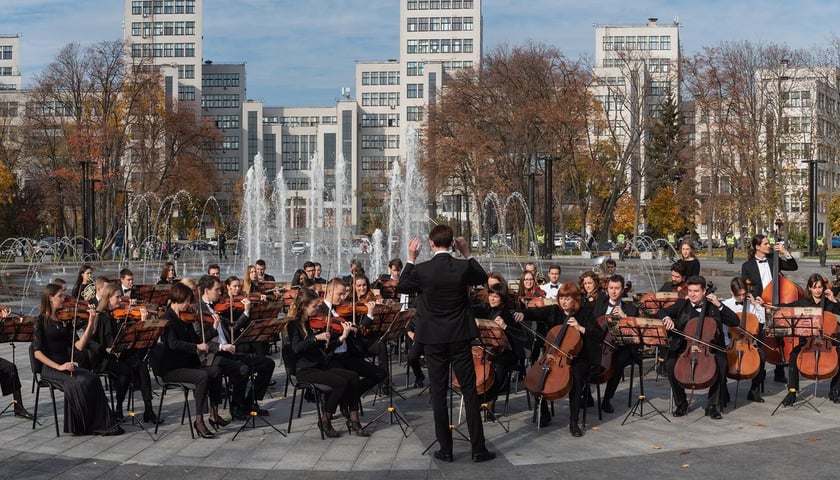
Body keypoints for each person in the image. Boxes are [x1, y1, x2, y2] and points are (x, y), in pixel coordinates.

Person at [397, 225, 496, 462]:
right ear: (452, 243)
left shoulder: (422, 269)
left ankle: (446, 449)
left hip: (433, 339)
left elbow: (402, 286)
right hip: (460, 336)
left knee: (439, 392)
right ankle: (478, 449)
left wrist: (410, 258)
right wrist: (467, 252)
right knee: (470, 391)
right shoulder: (462, 267)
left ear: (431, 244)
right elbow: (483, 278)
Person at [33, 284, 123, 435]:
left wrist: (90, 323)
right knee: (79, 382)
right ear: (50, 298)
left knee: (93, 378)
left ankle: (101, 423)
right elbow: (37, 353)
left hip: (67, 366)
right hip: (51, 369)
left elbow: (79, 347)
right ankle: (83, 425)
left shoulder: (65, 320)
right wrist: (59, 366)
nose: (64, 299)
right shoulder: (40, 320)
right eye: (60, 296)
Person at [287, 288, 370, 437]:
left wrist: (341, 338)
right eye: (314, 306)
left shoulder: (314, 324)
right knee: (340, 383)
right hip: (305, 371)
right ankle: (325, 420)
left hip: (320, 366)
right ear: (304, 306)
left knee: (353, 376)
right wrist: (315, 338)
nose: (318, 309)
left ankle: (353, 418)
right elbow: (296, 349)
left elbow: (326, 349)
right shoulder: (295, 325)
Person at [658, 275, 739, 419]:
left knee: (722, 361)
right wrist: (666, 318)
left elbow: (734, 321)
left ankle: (712, 405)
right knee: (670, 363)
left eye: (696, 291)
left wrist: (720, 306)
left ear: (704, 292)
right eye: (690, 291)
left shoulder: (713, 306)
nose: (692, 294)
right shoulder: (682, 305)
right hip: (685, 348)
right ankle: (681, 403)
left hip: (710, 349)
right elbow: (660, 311)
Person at [158, 282, 227, 438]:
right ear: (176, 300)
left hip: (187, 364)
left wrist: (214, 329)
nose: (189, 305)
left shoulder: (185, 318)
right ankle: (199, 421)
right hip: (172, 368)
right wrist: (196, 346)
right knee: (202, 377)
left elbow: (198, 339)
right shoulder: (167, 319)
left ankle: (214, 414)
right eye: (186, 301)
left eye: (189, 301)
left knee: (216, 371)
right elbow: (173, 344)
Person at [533, 283, 602, 436]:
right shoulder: (554, 311)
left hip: (578, 357)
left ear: (575, 299)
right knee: (538, 377)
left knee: (576, 380)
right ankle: (544, 413)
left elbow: (598, 335)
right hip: (554, 356)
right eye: (561, 298)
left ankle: (573, 422)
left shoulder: (585, 313)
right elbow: (535, 313)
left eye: (567, 298)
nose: (563, 302)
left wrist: (580, 328)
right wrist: (522, 314)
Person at [89, 283, 162, 423]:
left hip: (121, 354)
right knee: (125, 370)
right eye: (117, 297)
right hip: (104, 358)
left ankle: (149, 409)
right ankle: (118, 408)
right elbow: (90, 341)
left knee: (141, 367)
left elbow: (131, 337)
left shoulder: (121, 315)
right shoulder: (99, 317)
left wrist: (142, 322)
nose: (121, 300)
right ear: (108, 298)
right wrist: (106, 349)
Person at [741, 234, 798, 383]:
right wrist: (754, 298)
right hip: (759, 305)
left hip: (777, 303)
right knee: (762, 339)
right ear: (757, 247)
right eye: (766, 244)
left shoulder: (774, 258)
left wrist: (785, 251)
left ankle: (780, 371)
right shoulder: (747, 266)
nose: (769, 246)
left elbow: (793, 266)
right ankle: (760, 373)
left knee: (779, 337)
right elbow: (745, 287)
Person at [320, 278, 388, 396]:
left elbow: (358, 329)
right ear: (329, 292)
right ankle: (346, 401)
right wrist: (342, 335)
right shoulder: (320, 311)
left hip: (348, 355)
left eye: (343, 294)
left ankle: (352, 396)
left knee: (380, 373)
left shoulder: (338, 309)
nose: (342, 298)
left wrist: (367, 317)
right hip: (332, 358)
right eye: (339, 294)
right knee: (349, 378)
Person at [780, 274, 840, 406]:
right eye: (815, 287)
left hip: (827, 342)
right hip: (807, 343)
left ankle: (835, 389)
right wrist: (766, 305)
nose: (818, 290)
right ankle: (792, 391)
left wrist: (834, 300)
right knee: (794, 355)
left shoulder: (829, 303)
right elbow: (785, 307)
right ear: (810, 288)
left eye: (820, 287)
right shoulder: (803, 303)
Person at [471, 283, 529, 419]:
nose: (492, 299)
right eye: (490, 295)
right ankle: (478, 396)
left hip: (510, 352)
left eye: (495, 296)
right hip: (489, 349)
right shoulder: (485, 309)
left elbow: (523, 337)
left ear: (502, 298)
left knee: (499, 364)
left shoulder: (510, 313)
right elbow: (469, 309)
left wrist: (505, 326)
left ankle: (491, 401)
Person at [591, 274, 640, 413]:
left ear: (622, 290)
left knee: (618, 362)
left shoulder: (631, 309)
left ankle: (607, 399)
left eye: (617, 288)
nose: (613, 291)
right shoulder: (600, 303)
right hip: (599, 343)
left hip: (621, 347)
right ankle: (587, 396)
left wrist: (625, 318)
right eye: (611, 288)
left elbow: (635, 334)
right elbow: (592, 324)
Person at [720, 277, 766, 403]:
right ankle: (723, 390)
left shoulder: (751, 305)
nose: (741, 298)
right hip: (730, 342)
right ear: (731, 292)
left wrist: (756, 304)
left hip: (749, 343)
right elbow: (722, 327)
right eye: (738, 295)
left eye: (743, 294)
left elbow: (763, 320)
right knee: (720, 358)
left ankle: (753, 390)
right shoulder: (725, 305)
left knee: (761, 357)